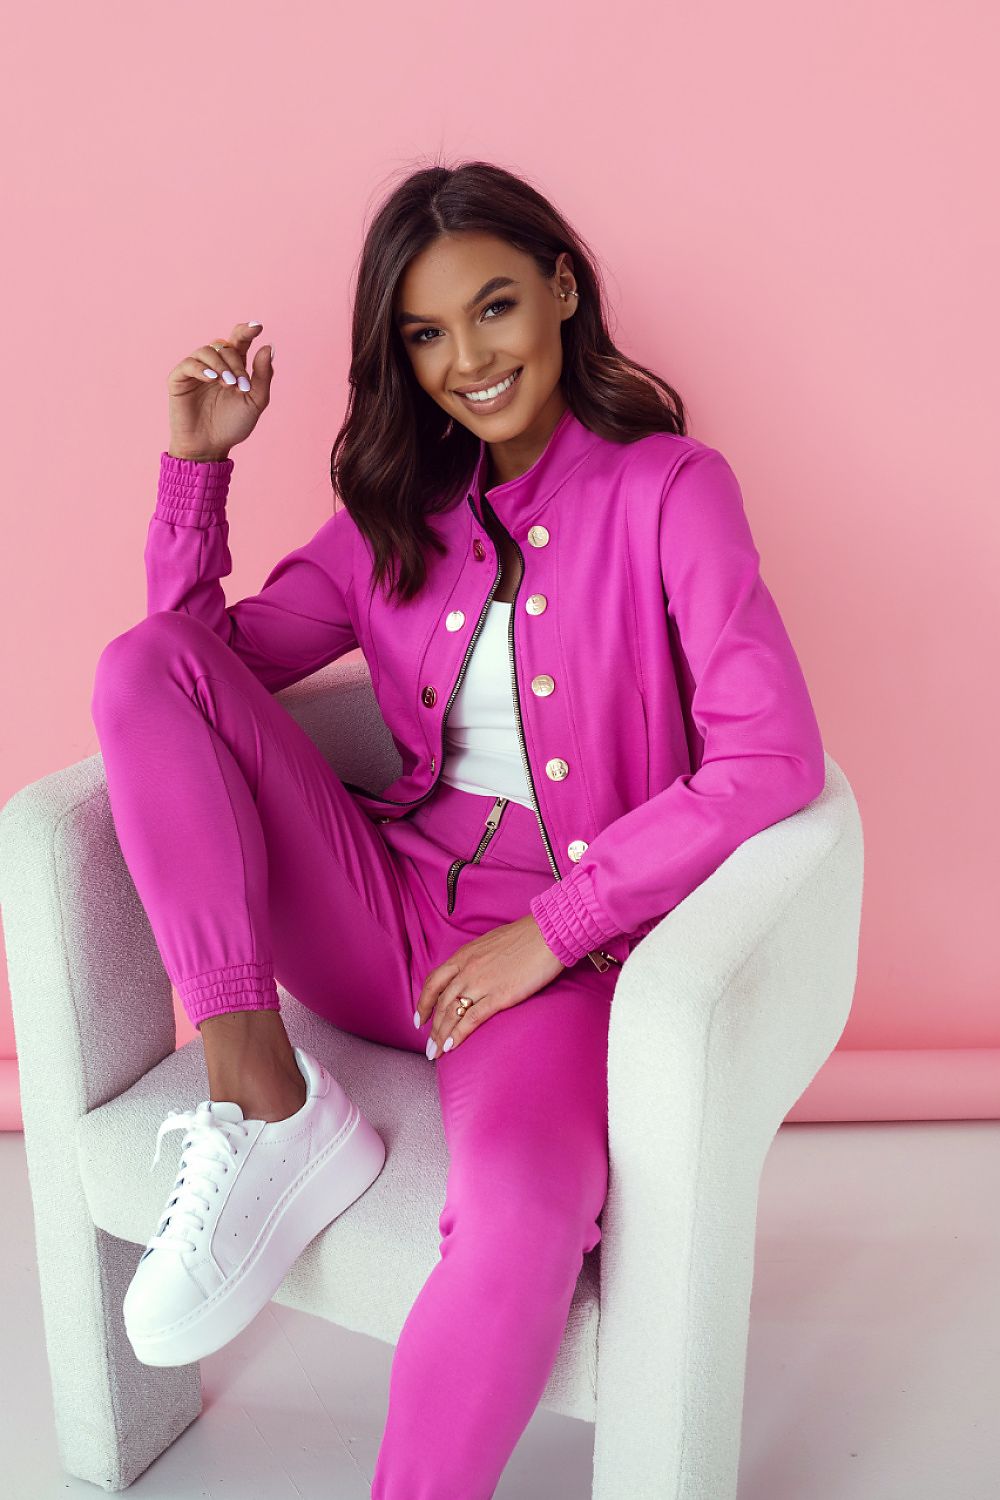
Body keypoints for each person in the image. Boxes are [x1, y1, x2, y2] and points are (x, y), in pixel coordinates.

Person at [90, 159, 825, 1499]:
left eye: (493, 308)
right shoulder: (400, 519)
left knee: (527, 1220)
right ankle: (263, 1102)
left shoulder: (672, 490)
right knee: (136, 666)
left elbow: (772, 757)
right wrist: (197, 476)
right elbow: (191, 675)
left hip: (540, 967)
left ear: (560, 289)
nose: (468, 360)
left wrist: (562, 928)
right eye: (428, 333)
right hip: (381, 911)